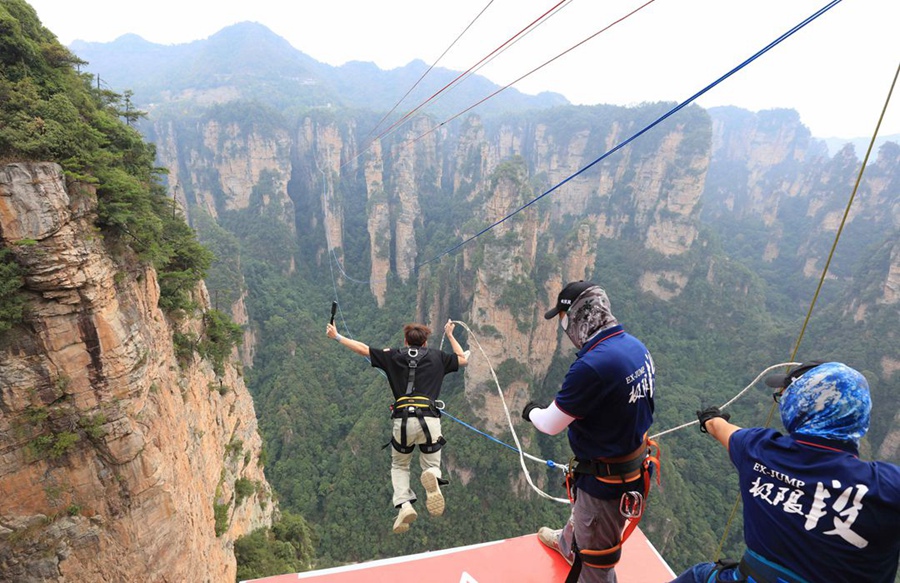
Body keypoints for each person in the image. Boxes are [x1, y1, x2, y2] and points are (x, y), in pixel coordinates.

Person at [672, 361, 900, 583]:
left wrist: (711, 418)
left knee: (702, 574)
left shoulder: (758, 448)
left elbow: (718, 427)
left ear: (798, 404)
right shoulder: (886, 487)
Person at [522, 281, 656, 583]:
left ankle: (582, 551)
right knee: (585, 516)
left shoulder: (593, 366)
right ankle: (569, 542)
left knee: (597, 567)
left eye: (563, 318)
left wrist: (531, 411)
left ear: (578, 316)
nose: (563, 326)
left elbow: (550, 424)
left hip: (605, 483)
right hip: (631, 462)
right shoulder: (635, 346)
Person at [326, 319, 468, 534]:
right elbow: (462, 359)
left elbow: (363, 349)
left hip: (402, 421)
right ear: (426, 343)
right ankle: (432, 476)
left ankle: (404, 505)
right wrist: (449, 334)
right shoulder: (438, 357)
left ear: (405, 340)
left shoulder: (393, 355)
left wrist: (337, 336)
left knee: (400, 465)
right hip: (429, 419)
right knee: (431, 461)